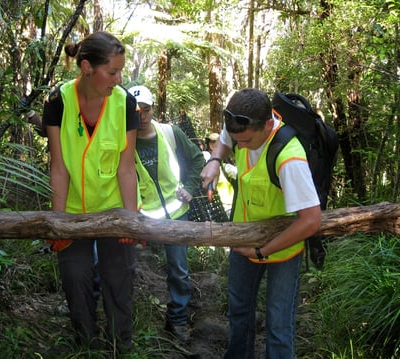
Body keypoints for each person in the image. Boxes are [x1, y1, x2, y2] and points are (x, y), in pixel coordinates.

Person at [200, 88, 322, 358]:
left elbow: (311, 221)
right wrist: (215, 160)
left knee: (278, 324)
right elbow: (225, 139)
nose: (240, 147)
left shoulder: (289, 159)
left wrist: (261, 251)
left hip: (282, 249)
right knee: (239, 312)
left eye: (246, 141)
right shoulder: (242, 123)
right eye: (236, 141)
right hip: (243, 239)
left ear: (268, 125)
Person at [42, 31, 139, 352]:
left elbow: (126, 168)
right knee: (76, 283)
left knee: (118, 283)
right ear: (86, 68)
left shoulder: (126, 103)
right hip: (72, 213)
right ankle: (86, 345)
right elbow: (58, 167)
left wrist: (130, 219)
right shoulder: (58, 102)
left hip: (114, 211)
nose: (118, 78)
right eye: (112, 72)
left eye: (120, 71)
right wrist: (58, 222)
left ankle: (118, 347)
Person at [128, 85, 204, 344]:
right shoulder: (123, 140)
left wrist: (192, 189)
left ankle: (178, 320)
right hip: (142, 218)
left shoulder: (171, 133)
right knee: (128, 267)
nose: (142, 115)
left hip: (175, 214)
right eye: (136, 111)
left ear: (153, 109)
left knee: (178, 269)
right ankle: (130, 322)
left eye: (146, 110)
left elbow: (197, 160)